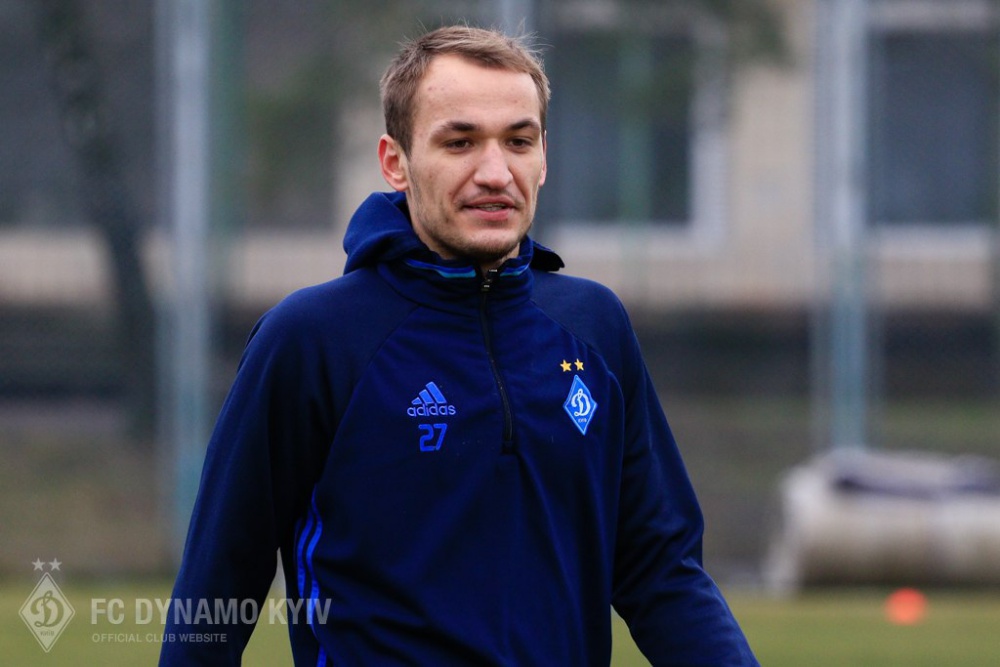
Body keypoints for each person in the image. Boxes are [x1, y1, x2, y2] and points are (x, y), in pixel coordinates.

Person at [160, 24, 758, 666]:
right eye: (460, 142)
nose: (495, 172)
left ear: (544, 157)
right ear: (396, 162)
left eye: (518, 141)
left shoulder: (595, 327)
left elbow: (661, 571)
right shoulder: (312, 339)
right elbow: (216, 588)